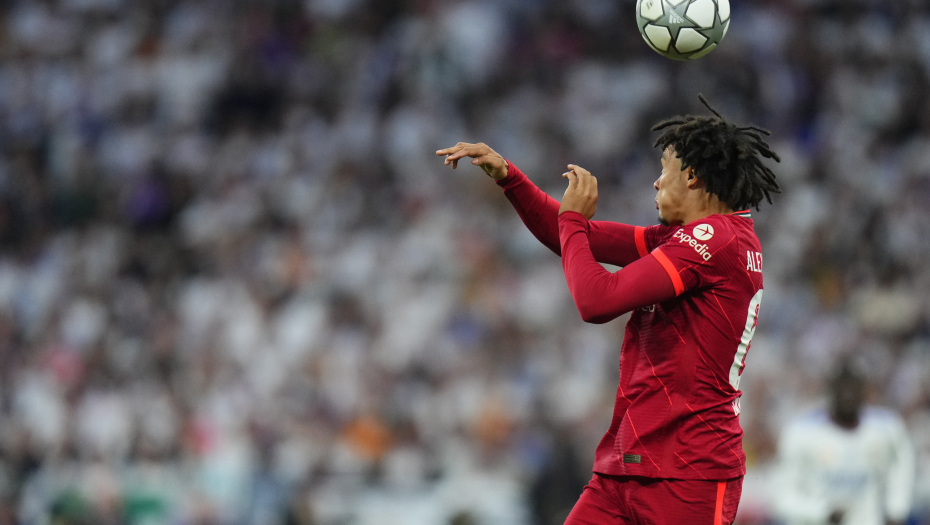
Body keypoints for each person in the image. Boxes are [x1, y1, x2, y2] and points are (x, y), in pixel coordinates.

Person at [436, 95, 781, 525]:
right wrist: (510, 178)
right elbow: (579, 237)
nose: (656, 183)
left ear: (692, 176)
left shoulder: (715, 240)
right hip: (627, 467)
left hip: (689, 472)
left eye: (664, 170)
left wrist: (572, 220)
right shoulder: (689, 239)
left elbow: (596, 301)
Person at [775, 360, 915, 525]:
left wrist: (896, 509)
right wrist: (823, 511)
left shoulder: (887, 429)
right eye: (841, 386)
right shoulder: (802, 433)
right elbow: (782, 498)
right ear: (829, 389)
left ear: (864, 390)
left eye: (853, 386)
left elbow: (903, 467)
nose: (847, 393)